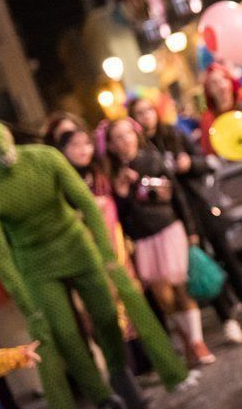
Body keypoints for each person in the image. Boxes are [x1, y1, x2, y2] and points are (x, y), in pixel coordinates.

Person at [0, 117, 147, 409]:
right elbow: (0, 255)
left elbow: (86, 202)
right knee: (66, 334)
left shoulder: (44, 157)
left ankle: (119, 372)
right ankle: (100, 395)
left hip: (75, 244)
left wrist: (106, 254)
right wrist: (27, 302)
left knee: (106, 314)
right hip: (36, 263)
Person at [128, 98, 242, 344]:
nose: (145, 116)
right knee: (202, 265)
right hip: (175, 215)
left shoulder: (174, 135)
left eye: (148, 111)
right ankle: (227, 316)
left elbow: (205, 163)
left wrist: (189, 164)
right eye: (139, 113)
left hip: (199, 204)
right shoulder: (141, 152)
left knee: (225, 254)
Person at [57, 128, 196, 385]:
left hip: (119, 248)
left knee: (139, 304)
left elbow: (124, 208)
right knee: (106, 312)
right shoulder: (63, 182)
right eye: (75, 146)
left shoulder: (101, 173)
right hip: (88, 254)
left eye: (86, 144)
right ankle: (125, 374)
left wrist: (118, 194)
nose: (83, 150)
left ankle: (165, 360)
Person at [105, 118, 215, 367]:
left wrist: (190, 230)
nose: (125, 140)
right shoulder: (111, 175)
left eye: (128, 134)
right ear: (110, 145)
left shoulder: (152, 159)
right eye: (118, 137)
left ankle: (198, 342)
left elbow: (175, 195)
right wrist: (121, 193)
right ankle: (186, 340)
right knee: (163, 297)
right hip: (142, 238)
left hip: (169, 228)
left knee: (181, 288)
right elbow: (118, 215)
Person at [200, 64, 242, 156]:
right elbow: (210, 152)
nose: (221, 86)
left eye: (224, 79)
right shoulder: (208, 120)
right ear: (209, 90)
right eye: (214, 83)